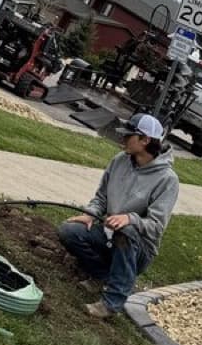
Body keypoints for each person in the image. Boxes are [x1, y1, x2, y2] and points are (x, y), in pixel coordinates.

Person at [58, 113, 180, 317]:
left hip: (138, 248)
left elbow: (157, 226)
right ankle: (102, 276)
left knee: (127, 230)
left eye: (128, 136)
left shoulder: (167, 180)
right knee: (69, 231)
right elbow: (101, 197)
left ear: (145, 140)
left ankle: (111, 303)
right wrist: (91, 214)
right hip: (108, 235)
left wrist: (129, 218)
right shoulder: (119, 161)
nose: (122, 139)